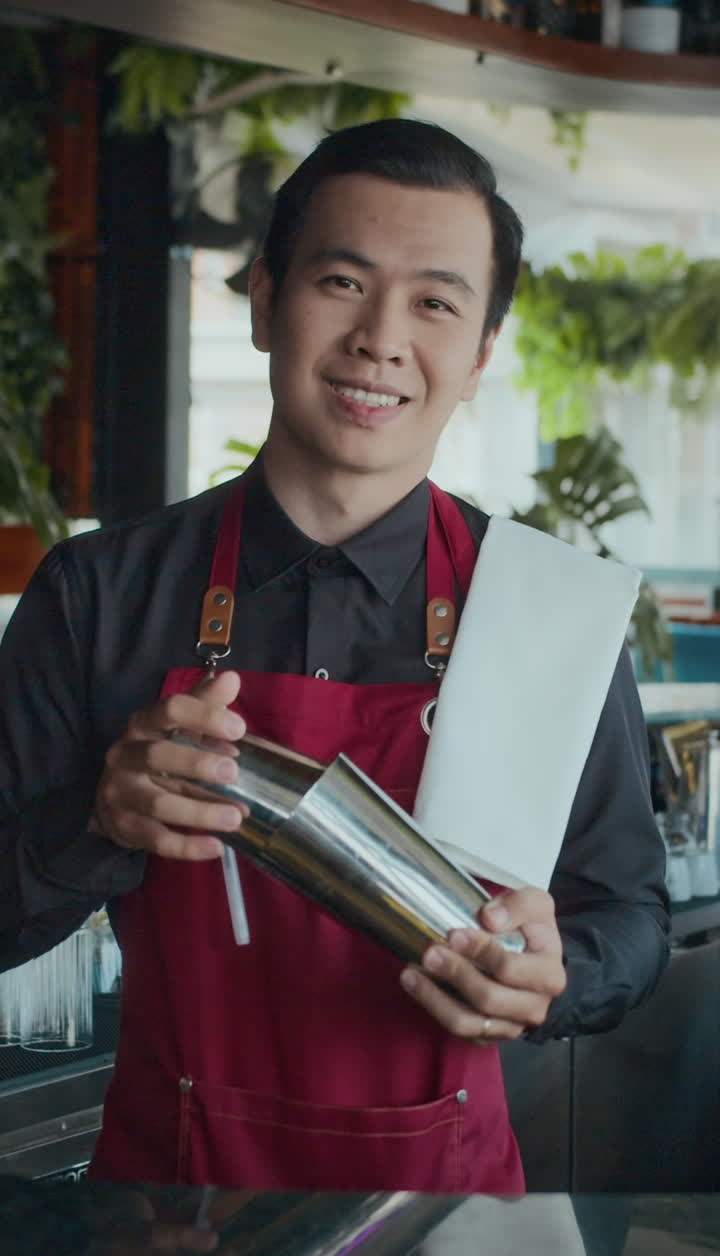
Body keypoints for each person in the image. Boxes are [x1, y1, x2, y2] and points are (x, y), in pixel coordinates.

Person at [0, 119, 669, 1193]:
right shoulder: (97, 595)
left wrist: (557, 975)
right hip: (161, 1217)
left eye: (436, 302)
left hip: (447, 1225)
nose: (381, 339)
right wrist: (98, 818)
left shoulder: (545, 612)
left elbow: (629, 915)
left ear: (482, 351)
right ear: (264, 299)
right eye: (343, 281)